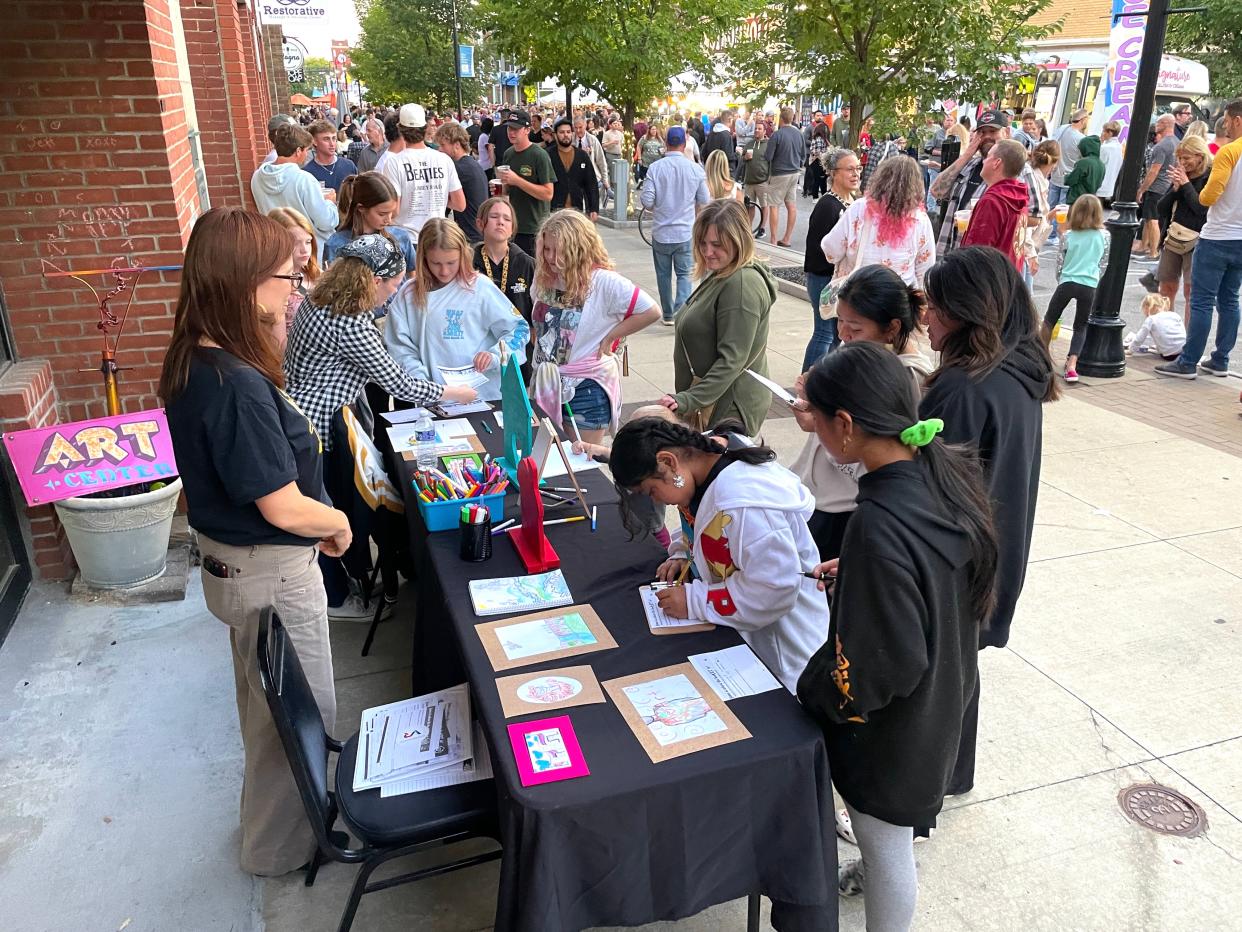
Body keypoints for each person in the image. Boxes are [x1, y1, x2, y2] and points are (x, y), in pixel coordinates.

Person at [161, 207, 352, 877]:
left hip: (235, 570)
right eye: (284, 276)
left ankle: (270, 830)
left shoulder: (199, 355)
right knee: (292, 725)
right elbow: (281, 503)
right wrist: (338, 524)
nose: (293, 289)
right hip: (267, 573)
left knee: (265, 711)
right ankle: (278, 850)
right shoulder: (234, 384)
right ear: (244, 283)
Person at [797, 342, 998, 932]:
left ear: (847, 426)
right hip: (943, 698)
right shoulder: (942, 478)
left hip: (893, 732)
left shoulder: (878, 524)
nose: (810, 426)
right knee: (889, 845)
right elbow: (934, 580)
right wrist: (860, 575)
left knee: (887, 852)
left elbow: (885, 665)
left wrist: (821, 698)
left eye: (814, 415)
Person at [921, 246, 1058, 796]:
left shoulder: (963, 389)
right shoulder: (1019, 374)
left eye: (934, 306)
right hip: (994, 559)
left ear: (965, 312)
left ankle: (924, 788)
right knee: (958, 676)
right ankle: (954, 775)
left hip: (953, 566)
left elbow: (926, 489)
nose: (924, 315)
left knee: (933, 691)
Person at [285, 234, 471, 617]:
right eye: (393, 283)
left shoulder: (320, 300)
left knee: (330, 506)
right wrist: (454, 392)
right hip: (324, 428)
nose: (394, 292)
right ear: (373, 280)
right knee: (338, 510)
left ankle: (346, 581)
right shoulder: (351, 323)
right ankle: (337, 598)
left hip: (303, 416)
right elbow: (397, 382)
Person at [609, 417, 830, 694]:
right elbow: (702, 523)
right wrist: (684, 551)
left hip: (781, 649)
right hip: (748, 635)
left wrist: (693, 601)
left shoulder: (743, 503)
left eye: (651, 490)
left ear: (668, 462)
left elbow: (774, 588)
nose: (655, 500)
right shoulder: (701, 458)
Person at [791, 266, 934, 563]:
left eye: (855, 328)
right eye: (840, 322)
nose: (843, 334)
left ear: (892, 327)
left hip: (841, 509)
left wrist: (820, 422)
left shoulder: (909, 377)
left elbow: (878, 454)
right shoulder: (859, 351)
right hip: (813, 494)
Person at [530, 210, 661, 443]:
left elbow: (651, 311)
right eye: (546, 248)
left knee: (581, 465)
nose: (550, 257)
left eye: (558, 250)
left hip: (586, 388)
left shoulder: (604, 281)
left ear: (577, 248)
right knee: (550, 462)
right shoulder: (544, 276)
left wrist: (611, 335)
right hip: (547, 383)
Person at [662, 199, 777, 435]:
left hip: (728, 409)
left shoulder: (742, 284)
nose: (707, 252)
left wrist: (688, 399)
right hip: (712, 402)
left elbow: (732, 360)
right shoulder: (724, 273)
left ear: (738, 240)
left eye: (717, 244)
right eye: (702, 243)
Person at [384, 219, 529, 402]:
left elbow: (518, 329)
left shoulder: (480, 287)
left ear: (463, 255)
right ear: (423, 258)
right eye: (436, 263)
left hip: (484, 398)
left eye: (451, 263)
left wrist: (494, 355)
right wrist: (423, 384)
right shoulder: (408, 294)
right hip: (434, 399)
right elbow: (400, 347)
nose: (444, 271)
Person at [1156, 98, 1242, 380]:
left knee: (1202, 301)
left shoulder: (1229, 153)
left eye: (1228, 120)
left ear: (1237, 120)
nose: (1225, 124)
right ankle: (1220, 358)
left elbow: (1208, 197)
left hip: (1218, 235)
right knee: (1230, 300)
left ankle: (1188, 361)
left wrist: (1190, 189)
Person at [822, 155, 936, 298]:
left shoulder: (860, 208)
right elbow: (925, 268)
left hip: (859, 295)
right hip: (899, 299)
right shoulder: (920, 219)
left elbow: (831, 252)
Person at [639, 126, 710, 325]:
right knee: (684, 274)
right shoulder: (695, 169)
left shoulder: (655, 168)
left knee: (663, 275)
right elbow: (704, 199)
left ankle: (668, 313)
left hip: (661, 230)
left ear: (666, 143)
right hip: (685, 231)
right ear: (684, 143)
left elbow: (647, 201)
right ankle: (681, 312)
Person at [1041, 195, 1110, 382]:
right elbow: (1103, 263)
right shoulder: (1104, 236)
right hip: (1089, 284)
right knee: (1080, 325)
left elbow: (1060, 262)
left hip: (1067, 281)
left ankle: (1042, 358)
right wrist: (1095, 279)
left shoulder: (1068, 236)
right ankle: (1072, 365)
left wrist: (1061, 279)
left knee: (1049, 320)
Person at [802, 148, 860, 369]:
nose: (855, 174)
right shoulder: (828, 205)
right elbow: (817, 250)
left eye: (858, 168)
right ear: (834, 173)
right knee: (824, 333)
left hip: (839, 279)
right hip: (823, 277)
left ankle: (825, 381)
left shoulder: (850, 201)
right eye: (849, 169)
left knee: (837, 335)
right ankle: (807, 382)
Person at [1144, 136, 1212, 319]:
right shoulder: (1182, 176)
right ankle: (1166, 333)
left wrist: (1186, 185)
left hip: (1197, 239)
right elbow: (1161, 209)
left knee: (1191, 292)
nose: (1182, 162)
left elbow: (1200, 209)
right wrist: (1174, 190)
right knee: (1166, 287)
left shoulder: (1209, 177)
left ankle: (1188, 340)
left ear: (1200, 156)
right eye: (1180, 158)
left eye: (1186, 158)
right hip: (1173, 237)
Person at [381, 104, 465, 245]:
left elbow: (394, 210)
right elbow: (460, 204)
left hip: (405, 239)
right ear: (425, 128)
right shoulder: (444, 159)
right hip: (437, 237)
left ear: (400, 130)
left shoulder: (393, 163)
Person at [251, 123, 339, 259]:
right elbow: (326, 222)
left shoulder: (257, 177)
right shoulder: (304, 180)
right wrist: (329, 203)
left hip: (279, 249)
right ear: (298, 151)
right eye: (307, 150)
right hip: (309, 251)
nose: (307, 154)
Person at [929, 109, 1008, 256]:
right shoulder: (969, 165)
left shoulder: (1017, 170)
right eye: (982, 133)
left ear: (1006, 133)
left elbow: (1032, 217)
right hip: (950, 253)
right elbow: (936, 191)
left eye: (993, 131)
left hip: (982, 259)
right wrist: (967, 154)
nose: (987, 137)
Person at [324, 172, 416, 274]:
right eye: (382, 214)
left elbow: (413, 275)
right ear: (361, 208)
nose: (388, 220)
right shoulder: (336, 244)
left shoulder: (401, 237)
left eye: (391, 213)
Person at [961, 138, 1031, 268]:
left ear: (997, 163)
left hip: (988, 282)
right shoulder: (1019, 196)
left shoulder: (993, 201)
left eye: (987, 157)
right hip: (1008, 279)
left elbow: (976, 254)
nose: (983, 161)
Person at [498, 110, 555, 256]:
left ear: (527, 130)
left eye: (516, 129)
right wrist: (501, 187)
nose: (511, 132)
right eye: (509, 128)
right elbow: (508, 190)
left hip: (535, 228)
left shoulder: (539, 155)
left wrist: (517, 180)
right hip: (514, 227)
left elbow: (548, 193)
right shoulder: (508, 154)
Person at [431, 122, 489, 244]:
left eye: (442, 145)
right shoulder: (471, 164)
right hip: (477, 232)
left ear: (457, 145)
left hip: (470, 236)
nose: (439, 150)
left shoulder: (459, 168)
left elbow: (449, 202)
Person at [267, 207, 321, 337]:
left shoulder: (318, 274)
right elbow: (280, 344)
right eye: (295, 243)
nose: (305, 250)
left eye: (308, 242)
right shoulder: (274, 285)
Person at [1135, 114, 1178, 260]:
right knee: (1149, 218)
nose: (1156, 125)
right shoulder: (1177, 142)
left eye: (1158, 122)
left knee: (1152, 219)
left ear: (1165, 124)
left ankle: (1153, 252)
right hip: (1168, 185)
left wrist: (1142, 189)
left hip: (1156, 186)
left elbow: (1154, 170)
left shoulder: (1161, 146)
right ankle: (1144, 247)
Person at [763, 106, 808, 247]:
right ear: (793, 118)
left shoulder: (777, 134)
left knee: (774, 205)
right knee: (791, 205)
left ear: (781, 119)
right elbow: (803, 154)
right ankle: (787, 238)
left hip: (779, 173)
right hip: (795, 173)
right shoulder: (799, 134)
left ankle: (774, 239)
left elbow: (768, 156)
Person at [1022, 140, 1060, 289]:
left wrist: (1051, 215)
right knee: (1024, 296)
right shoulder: (1032, 179)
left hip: (1030, 245)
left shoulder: (1041, 180)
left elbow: (1037, 217)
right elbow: (1025, 220)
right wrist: (1031, 254)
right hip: (1025, 246)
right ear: (1055, 162)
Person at [1047, 108, 1090, 242]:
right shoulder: (1081, 138)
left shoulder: (1062, 129)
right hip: (1069, 177)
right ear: (1083, 120)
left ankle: (1047, 232)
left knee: (1051, 205)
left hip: (1055, 174)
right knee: (1062, 209)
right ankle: (1054, 235)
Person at [548, 118, 600, 219]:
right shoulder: (547, 155)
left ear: (572, 133)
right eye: (562, 132)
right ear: (555, 135)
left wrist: (593, 208)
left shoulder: (582, 156)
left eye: (568, 132)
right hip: (554, 211)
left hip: (576, 211)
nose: (565, 135)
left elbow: (591, 184)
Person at [302, 119, 357, 195]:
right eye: (326, 139)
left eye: (334, 138)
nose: (332, 144)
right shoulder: (307, 173)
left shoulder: (349, 166)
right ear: (314, 141)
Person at [1127, 293, 1186, 359]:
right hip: (1184, 350)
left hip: (1170, 355)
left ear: (1146, 308)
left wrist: (1131, 350)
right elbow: (1182, 333)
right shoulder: (1175, 315)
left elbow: (1139, 338)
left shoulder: (1151, 319)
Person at [740, 122, 771, 236]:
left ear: (764, 131)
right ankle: (748, 229)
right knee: (750, 206)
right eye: (756, 129)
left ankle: (762, 229)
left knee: (764, 205)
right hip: (749, 181)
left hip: (763, 181)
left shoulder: (768, 145)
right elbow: (742, 159)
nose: (757, 130)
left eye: (759, 129)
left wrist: (770, 179)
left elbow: (771, 162)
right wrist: (744, 157)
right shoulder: (749, 144)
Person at [573, 116, 610, 204]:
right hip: (575, 179)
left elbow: (601, 161)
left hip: (591, 178)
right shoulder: (571, 140)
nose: (578, 130)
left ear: (585, 126)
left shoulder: (592, 140)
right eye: (576, 128)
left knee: (591, 207)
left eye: (580, 127)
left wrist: (605, 181)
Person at [1064, 135, 1105, 206]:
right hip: (1090, 201)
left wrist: (1066, 176)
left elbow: (1070, 180)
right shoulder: (1101, 164)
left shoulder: (1083, 163)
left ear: (1085, 148)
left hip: (1077, 200)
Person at [700, 109, 739, 177]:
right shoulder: (726, 135)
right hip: (722, 172)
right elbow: (728, 156)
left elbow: (704, 152)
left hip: (711, 170)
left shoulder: (712, 133)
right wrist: (738, 154)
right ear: (730, 119)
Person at [1097, 121, 1123, 204]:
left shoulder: (1105, 148)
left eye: (1104, 131)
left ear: (1110, 133)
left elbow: (1097, 164)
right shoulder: (1119, 147)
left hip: (1099, 184)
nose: (1102, 133)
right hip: (1109, 185)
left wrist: (1100, 143)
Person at [806, 121, 830, 198]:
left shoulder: (819, 138)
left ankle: (818, 196)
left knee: (819, 180)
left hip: (817, 161)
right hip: (818, 161)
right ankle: (817, 196)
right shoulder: (820, 139)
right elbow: (818, 152)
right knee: (820, 180)